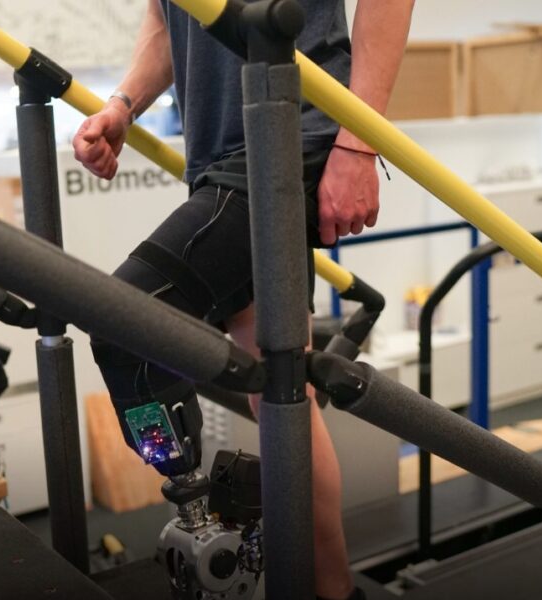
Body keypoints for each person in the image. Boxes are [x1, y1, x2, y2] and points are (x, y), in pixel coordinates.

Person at [73, 1, 414, 598]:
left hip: (295, 128)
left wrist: (359, 144)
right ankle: (334, 590)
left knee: (128, 317)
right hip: (221, 154)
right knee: (283, 399)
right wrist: (123, 104)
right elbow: (165, 22)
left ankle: (190, 499)